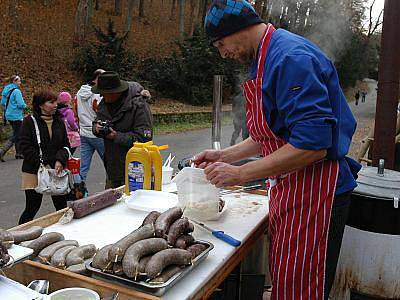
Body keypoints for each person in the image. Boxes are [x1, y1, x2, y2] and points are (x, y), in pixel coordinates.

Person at [196, 1, 361, 299]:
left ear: (239, 28)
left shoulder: (290, 58)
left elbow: (313, 146)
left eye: (221, 43)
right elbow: (270, 135)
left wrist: (240, 173)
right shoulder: (265, 58)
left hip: (317, 193)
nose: (223, 53)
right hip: (292, 187)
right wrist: (224, 156)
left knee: (302, 290)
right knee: (287, 284)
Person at [92, 71, 153, 188]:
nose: (101, 96)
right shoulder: (104, 103)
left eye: (104, 93)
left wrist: (117, 136)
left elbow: (145, 139)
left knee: (133, 203)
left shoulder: (138, 105)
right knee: (111, 203)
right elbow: (97, 122)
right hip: (113, 168)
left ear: (116, 92)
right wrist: (96, 128)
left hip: (135, 169)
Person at [18, 90, 71, 224]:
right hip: (33, 170)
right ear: (41, 105)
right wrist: (42, 162)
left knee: (61, 206)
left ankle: (66, 234)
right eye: (51, 102)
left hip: (56, 169)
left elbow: (65, 145)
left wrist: (60, 159)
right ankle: (18, 236)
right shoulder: (29, 121)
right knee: (32, 207)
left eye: (55, 102)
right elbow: (25, 146)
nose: (55, 105)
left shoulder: (59, 121)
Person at [76, 69, 106, 184]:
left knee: (83, 167)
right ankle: (112, 189)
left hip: (84, 133)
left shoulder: (79, 92)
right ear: (98, 78)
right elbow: (101, 112)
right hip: (97, 133)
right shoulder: (97, 94)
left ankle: (78, 189)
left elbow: (76, 111)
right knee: (109, 164)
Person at [0, 75, 26, 161]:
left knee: (17, 132)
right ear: (14, 81)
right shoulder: (16, 91)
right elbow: (21, 104)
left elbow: (3, 103)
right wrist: (25, 106)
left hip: (8, 115)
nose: (20, 83)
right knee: (17, 135)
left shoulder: (6, 90)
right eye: (19, 81)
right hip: (16, 115)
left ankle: (19, 153)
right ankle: (2, 151)